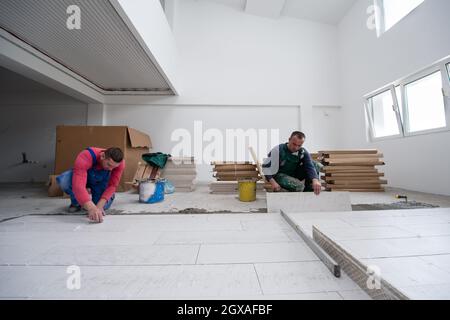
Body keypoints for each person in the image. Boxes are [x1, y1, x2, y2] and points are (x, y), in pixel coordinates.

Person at [57, 147, 125, 223]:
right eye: (109, 165)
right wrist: (91, 208)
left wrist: (99, 206)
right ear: (102, 156)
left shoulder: (120, 163)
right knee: (64, 181)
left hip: (100, 183)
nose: (110, 169)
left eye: (114, 167)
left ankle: (109, 196)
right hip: (82, 179)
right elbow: (78, 185)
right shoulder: (86, 156)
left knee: (101, 208)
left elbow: (112, 185)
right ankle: (76, 202)